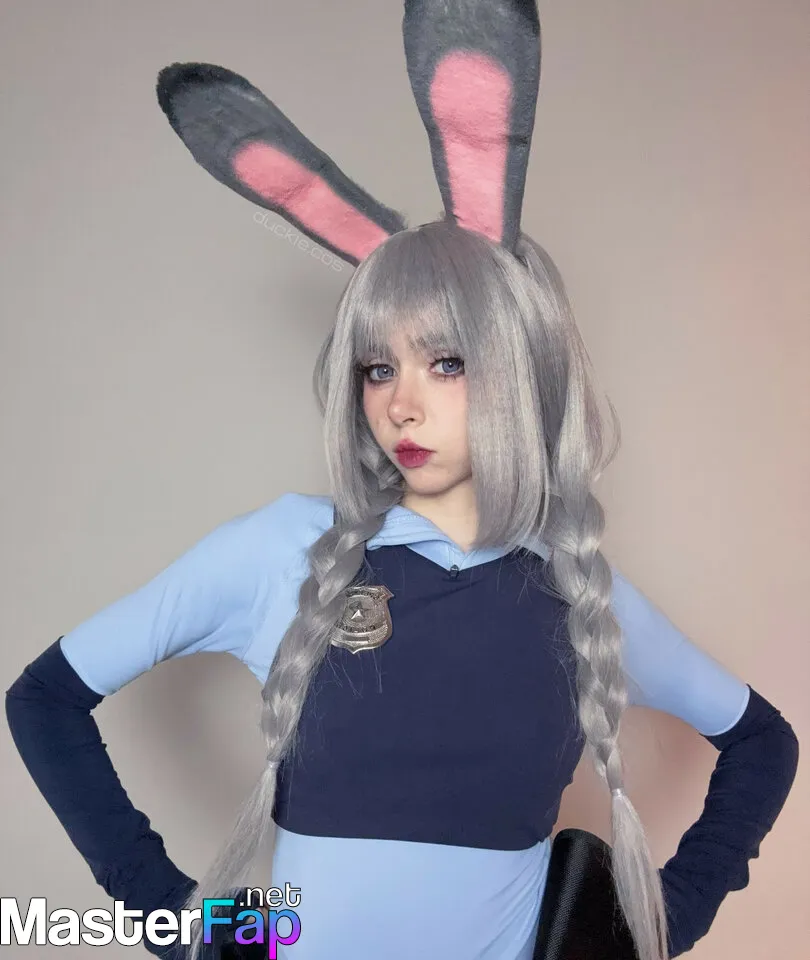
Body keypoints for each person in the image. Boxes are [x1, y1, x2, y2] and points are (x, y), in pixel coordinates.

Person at [5, 3, 799, 960]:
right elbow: (43, 699)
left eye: (447, 362)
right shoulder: (284, 550)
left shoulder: (582, 597)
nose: (400, 404)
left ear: (523, 369)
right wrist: (176, 918)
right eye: (378, 367)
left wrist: (661, 925)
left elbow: (765, 744)